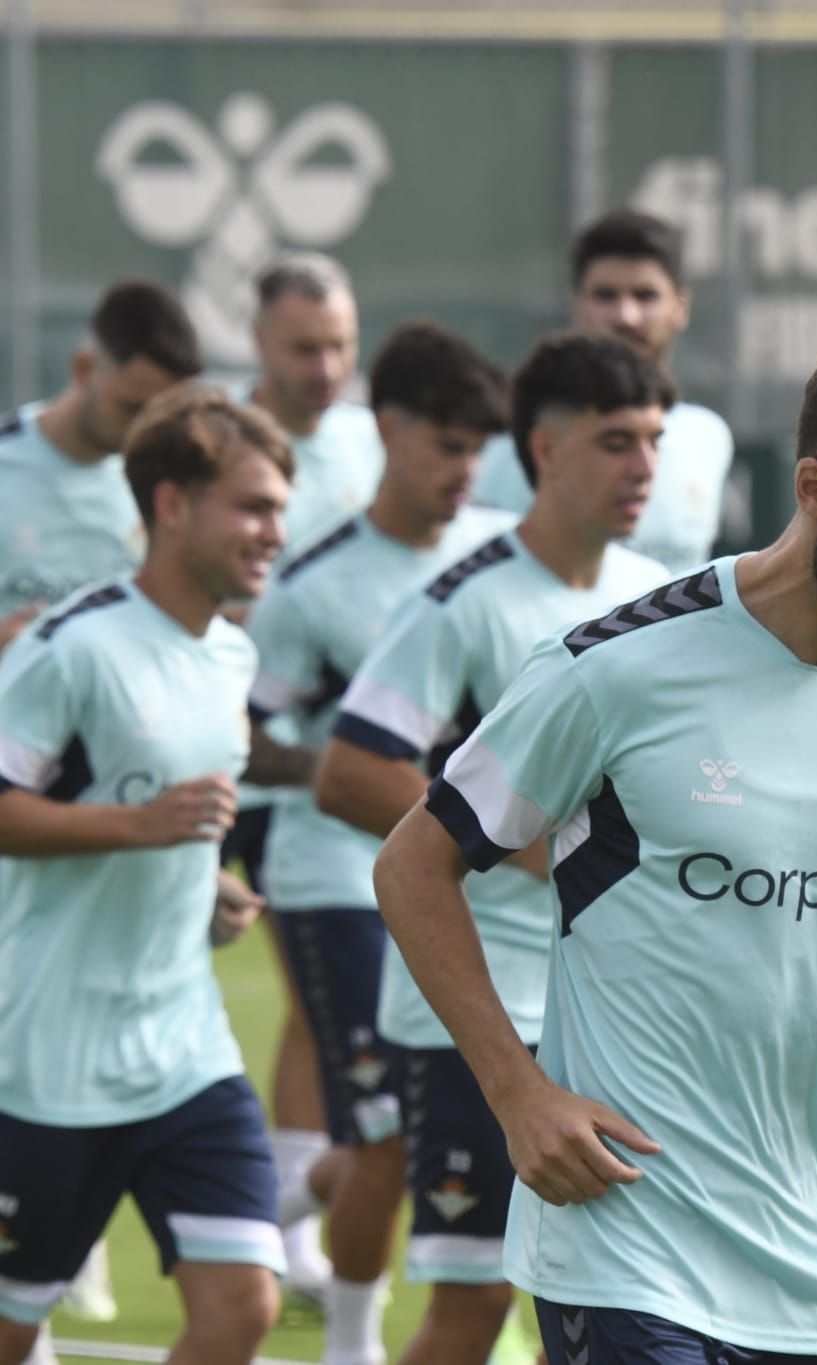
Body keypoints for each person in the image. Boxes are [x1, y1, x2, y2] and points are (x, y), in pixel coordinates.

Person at [375, 333, 817, 1365]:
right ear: (815, 487)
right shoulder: (618, 667)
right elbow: (414, 864)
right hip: (624, 1239)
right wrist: (518, 1090)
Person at [314, 329, 671, 1365]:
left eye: (651, 438)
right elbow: (349, 771)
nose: (643, 465)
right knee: (471, 1310)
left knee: (625, 1296)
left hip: (612, 1013)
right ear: (544, 450)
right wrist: (537, 846)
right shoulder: (464, 602)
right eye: (615, 440)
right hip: (475, 1015)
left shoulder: (660, 594)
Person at [0, 385, 298, 1365]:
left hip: (183, 1050)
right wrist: (137, 826)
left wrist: (203, 888)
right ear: (172, 505)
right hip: (46, 1060)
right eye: (252, 506)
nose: (273, 532)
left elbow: (171, 834)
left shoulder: (231, 657)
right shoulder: (71, 647)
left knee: (243, 1307)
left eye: (280, 509)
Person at [243, 321, 513, 1365]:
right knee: (381, 1138)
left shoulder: (498, 554)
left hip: (472, 889)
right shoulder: (311, 587)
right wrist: (343, 773)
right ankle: (351, 1338)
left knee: (404, 1135)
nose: (462, 470)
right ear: (385, 429)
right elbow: (245, 732)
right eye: (443, 444)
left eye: (474, 450)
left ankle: (268, 1198)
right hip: (335, 880)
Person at [238, 251, 389, 1296]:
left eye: (340, 343)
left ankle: (281, 1220)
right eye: (304, 347)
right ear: (258, 341)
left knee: (309, 1001)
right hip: (212, 761)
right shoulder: (214, 443)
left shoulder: (366, 445)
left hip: (303, 783)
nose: (326, 366)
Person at [473, 208, 734, 572]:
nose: (625, 316)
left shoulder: (709, 438)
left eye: (645, 296)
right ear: (577, 306)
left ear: (680, 307)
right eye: (606, 296)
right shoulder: (505, 451)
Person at [0, 279, 201, 658]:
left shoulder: (168, 489)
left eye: (164, 414)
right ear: (83, 368)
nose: (147, 428)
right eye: (132, 407)